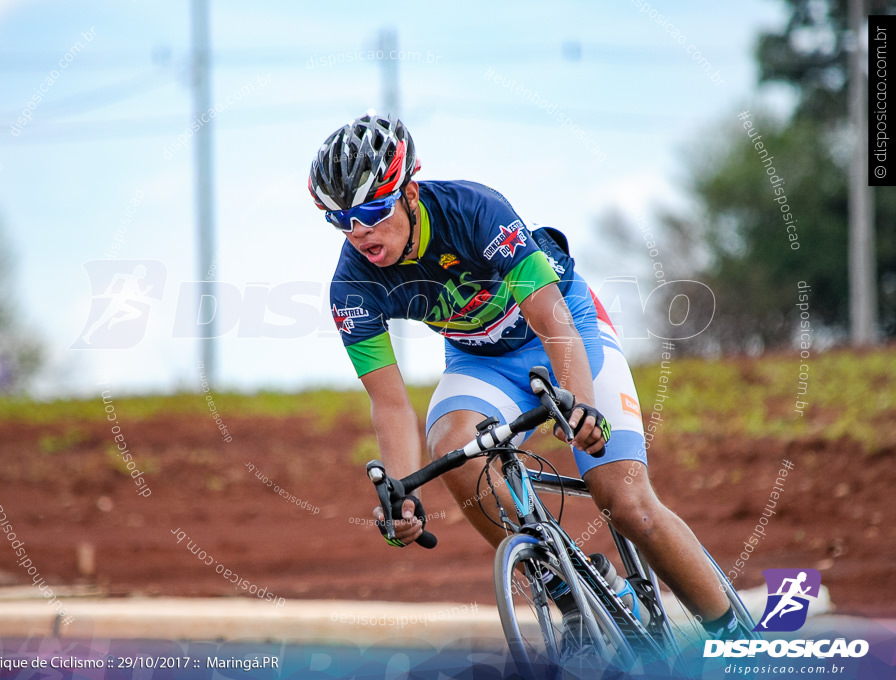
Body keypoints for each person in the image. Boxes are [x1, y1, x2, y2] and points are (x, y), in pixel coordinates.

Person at [308, 113, 739, 641]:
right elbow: (391, 403)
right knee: (452, 446)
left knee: (626, 504)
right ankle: (573, 598)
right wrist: (402, 494)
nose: (359, 233)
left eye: (373, 211)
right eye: (340, 220)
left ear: (410, 193)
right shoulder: (351, 287)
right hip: (481, 359)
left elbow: (550, 319)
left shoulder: (474, 211)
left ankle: (738, 643)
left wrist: (580, 402)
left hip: (563, 328)